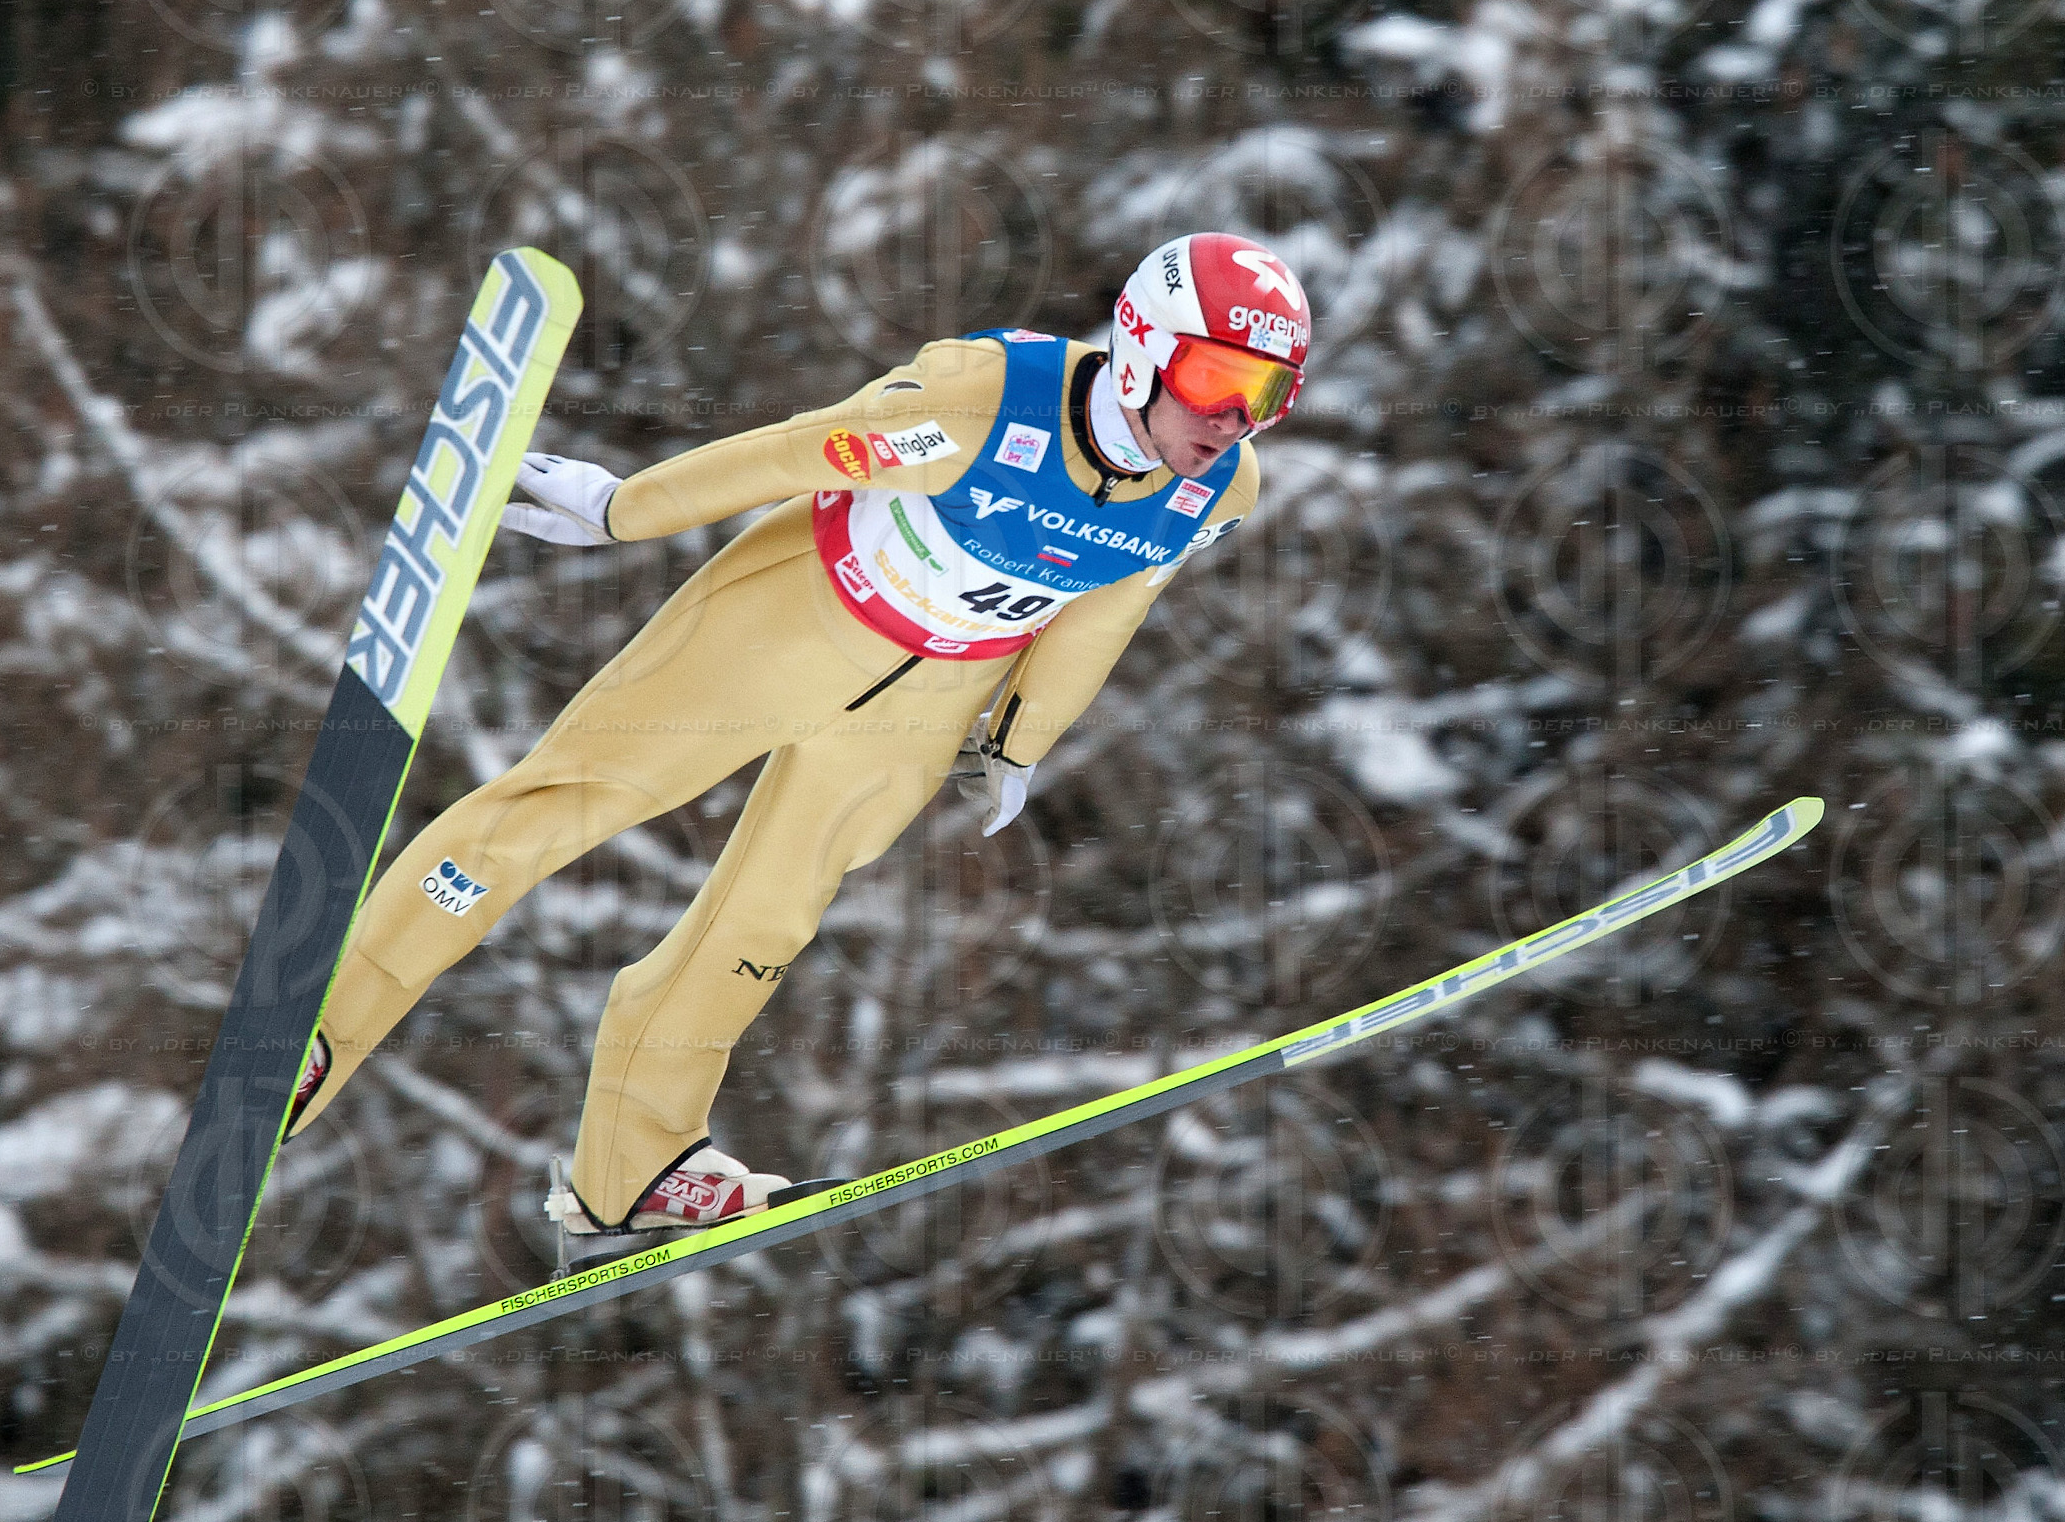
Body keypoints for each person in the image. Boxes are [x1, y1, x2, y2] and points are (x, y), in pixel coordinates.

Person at [285, 233, 1312, 1236]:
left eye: (1266, 395)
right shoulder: (979, 402)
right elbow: (801, 447)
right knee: (561, 805)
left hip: (923, 708)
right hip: (790, 621)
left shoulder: (1216, 488)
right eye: (1215, 377)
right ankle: (320, 1034)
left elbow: (1107, 606)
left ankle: (633, 1168)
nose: (1231, 419)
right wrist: (620, 511)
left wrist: (1018, 742)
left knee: (763, 926)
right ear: (1139, 342)